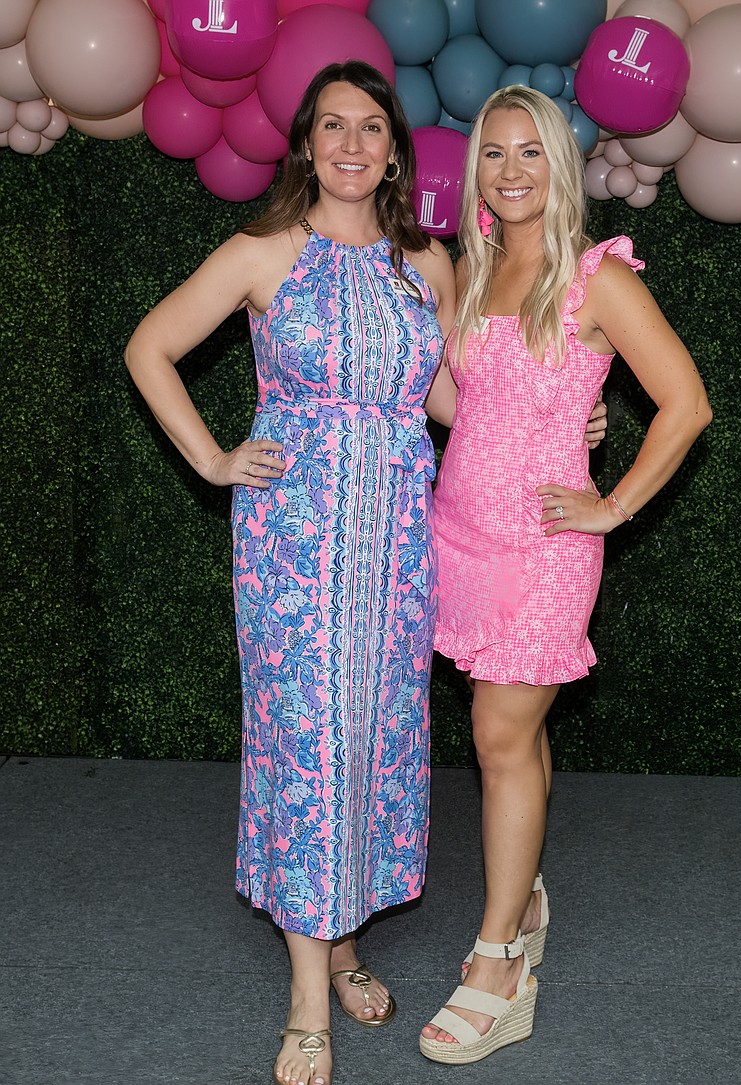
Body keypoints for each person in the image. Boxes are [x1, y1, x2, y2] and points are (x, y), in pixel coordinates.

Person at [125, 60, 457, 1085]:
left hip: (400, 541)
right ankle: (309, 996)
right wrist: (215, 458)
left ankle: (346, 940)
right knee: (307, 739)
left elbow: (451, 401)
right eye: (332, 128)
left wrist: (555, 415)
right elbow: (150, 347)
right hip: (296, 544)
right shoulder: (262, 251)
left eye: (370, 128)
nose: (352, 145)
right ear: (306, 145)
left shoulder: (427, 263)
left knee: (373, 735)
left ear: (393, 148)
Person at [419, 86, 712, 1065]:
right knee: (515, 734)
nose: (509, 172)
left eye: (529, 153)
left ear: (559, 165)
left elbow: (684, 405)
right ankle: (526, 891)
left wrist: (611, 502)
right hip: (456, 532)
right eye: (493, 155)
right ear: (476, 172)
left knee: (497, 737)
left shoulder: (599, 279)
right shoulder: (474, 263)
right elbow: (464, 406)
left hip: (544, 551)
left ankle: (500, 959)